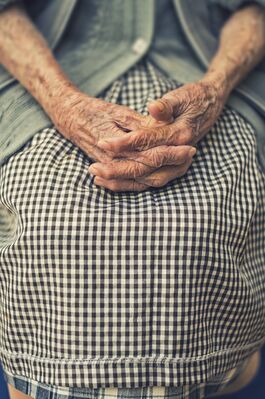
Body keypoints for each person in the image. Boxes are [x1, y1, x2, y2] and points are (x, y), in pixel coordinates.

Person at [0, 0, 264, 398]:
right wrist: (64, 104)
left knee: (204, 221)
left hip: (209, 69)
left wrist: (215, 88)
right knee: (49, 226)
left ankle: (229, 371)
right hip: (48, 73)